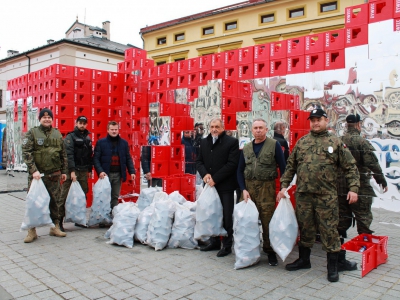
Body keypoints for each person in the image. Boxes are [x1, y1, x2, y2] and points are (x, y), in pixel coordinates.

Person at [277, 108, 360, 282]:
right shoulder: (302, 142)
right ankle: (304, 260)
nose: (315, 123)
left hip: (326, 196)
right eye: (312, 120)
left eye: (318, 119)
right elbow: (291, 166)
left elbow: (350, 167)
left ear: (325, 120)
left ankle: (332, 267)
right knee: (305, 228)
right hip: (304, 195)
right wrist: (284, 185)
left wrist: (354, 188)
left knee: (329, 230)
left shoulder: (335, 142)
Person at [337, 114, 388, 271]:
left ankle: (339, 258)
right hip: (360, 188)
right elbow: (372, 163)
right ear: (358, 125)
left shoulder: (338, 141)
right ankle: (367, 256)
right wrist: (381, 180)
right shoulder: (361, 142)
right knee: (363, 220)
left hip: (340, 187)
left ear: (347, 124)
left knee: (341, 222)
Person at [237, 118, 286, 266]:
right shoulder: (246, 148)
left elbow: (283, 168)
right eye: (255, 128)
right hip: (249, 191)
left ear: (266, 130)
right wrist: (243, 189)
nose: (258, 130)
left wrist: (283, 187)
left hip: (267, 190)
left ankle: (269, 251)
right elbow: (239, 171)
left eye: (261, 128)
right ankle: (248, 251)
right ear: (252, 130)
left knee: (267, 221)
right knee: (247, 222)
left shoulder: (274, 145)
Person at [22, 108, 68, 242]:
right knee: (33, 203)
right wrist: (33, 170)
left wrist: (64, 171)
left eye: (49, 118)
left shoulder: (57, 134)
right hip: (37, 177)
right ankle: (32, 231)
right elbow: (26, 152)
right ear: (40, 119)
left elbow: (63, 154)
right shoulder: (32, 133)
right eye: (44, 117)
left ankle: (55, 227)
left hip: (54, 175)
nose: (47, 119)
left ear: (52, 119)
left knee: (56, 202)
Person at [196, 118, 239, 257]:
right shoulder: (204, 142)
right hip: (209, 185)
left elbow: (232, 164)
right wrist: (205, 174)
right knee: (211, 213)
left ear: (223, 128)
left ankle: (227, 245)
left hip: (225, 186)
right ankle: (213, 241)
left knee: (226, 215)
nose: (214, 129)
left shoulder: (231, 142)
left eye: (217, 127)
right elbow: (199, 161)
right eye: (212, 126)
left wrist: (216, 178)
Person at [93, 121, 136, 212]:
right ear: (108, 130)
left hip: (118, 174)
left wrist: (132, 171)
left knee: (115, 196)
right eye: (112, 129)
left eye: (116, 129)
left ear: (118, 130)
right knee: (104, 197)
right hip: (105, 175)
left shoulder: (124, 143)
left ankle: (113, 217)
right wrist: (100, 171)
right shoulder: (101, 143)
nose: (114, 131)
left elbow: (128, 158)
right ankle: (103, 218)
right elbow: (95, 159)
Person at [59, 116, 93, 229]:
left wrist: (89, 169)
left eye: (84, 123)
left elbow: (89, 156)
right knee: (63, 196)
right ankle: (59, 222)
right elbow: (68, 156)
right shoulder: (70, 137)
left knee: (82, 196)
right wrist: (72, 171)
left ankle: (79, 219)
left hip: (83, 171)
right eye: (80, 123)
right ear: (76, 123)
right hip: (71, 171)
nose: (82, 125)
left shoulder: (87, 138)